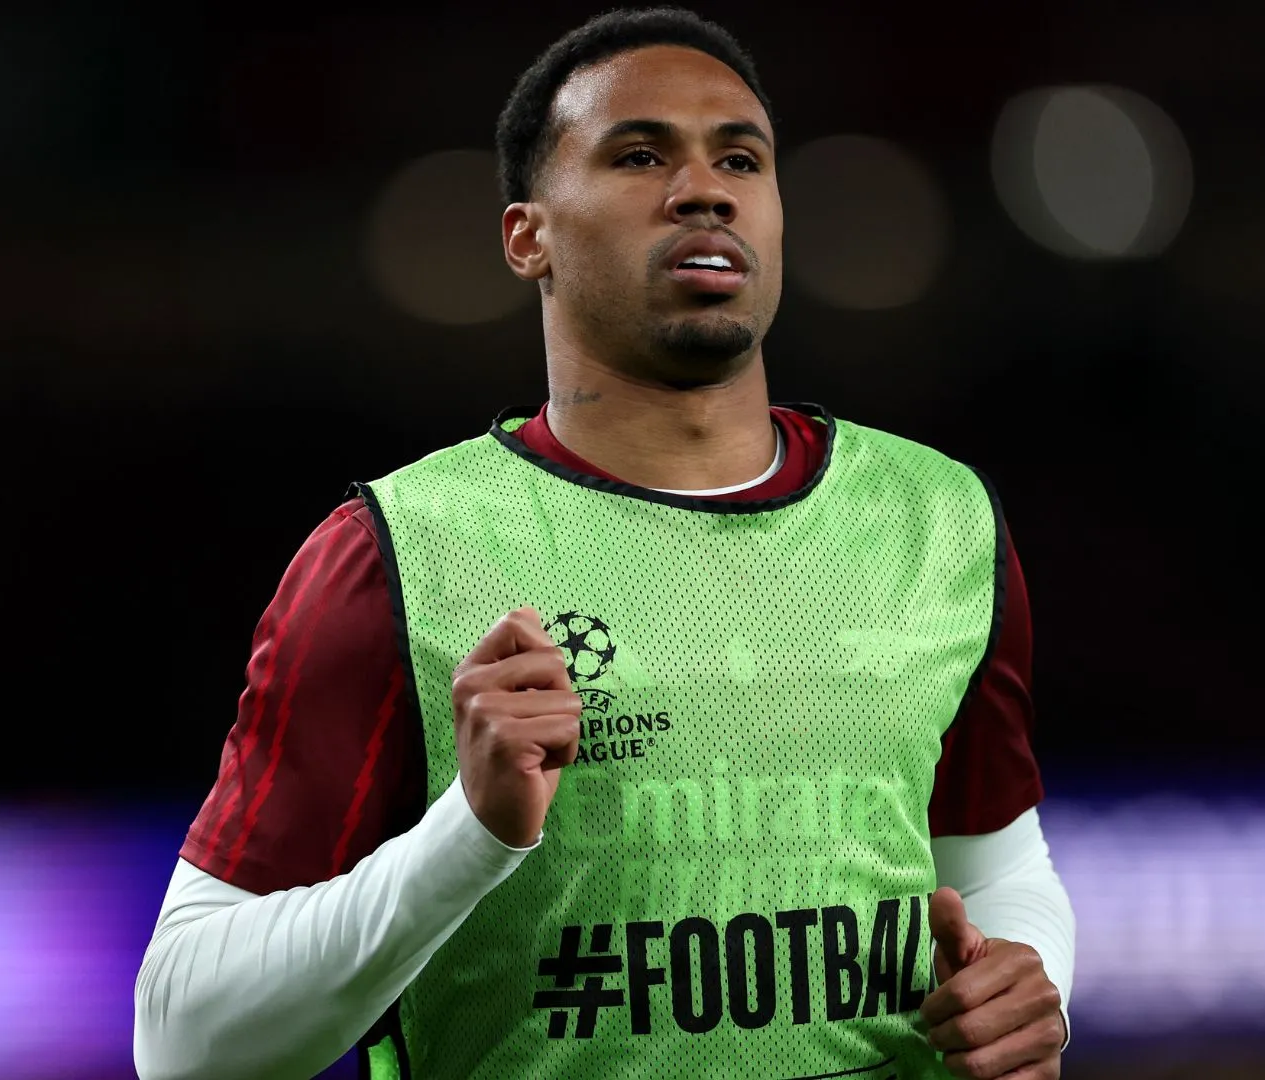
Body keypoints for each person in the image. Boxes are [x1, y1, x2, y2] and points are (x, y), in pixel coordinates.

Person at [133, 8, 1075, 1079]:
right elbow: (182, 1044)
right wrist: (471, 834)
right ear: (526, 235)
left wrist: (1028, 978)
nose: (704, 188)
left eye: (741, 158)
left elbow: (997, 869)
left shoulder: (936, 516)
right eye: (639, 155)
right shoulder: (396, 556)